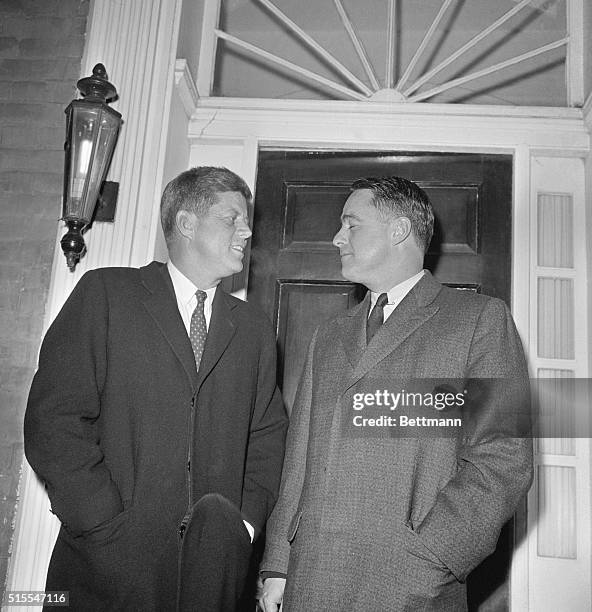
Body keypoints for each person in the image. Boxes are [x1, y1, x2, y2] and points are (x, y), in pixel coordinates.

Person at [259, 176, 532, 611]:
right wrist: (278, 565)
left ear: (399, 229)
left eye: (351, 225)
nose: (336, 238)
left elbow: (502, 458)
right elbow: (299, 460)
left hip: (410, 588)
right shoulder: (328, 336)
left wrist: (432, 557)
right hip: (309, 582)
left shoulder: (478, 321)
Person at [25, 166, 287, 611]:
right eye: (232, 219)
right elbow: (54, 420)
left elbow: (266, 440)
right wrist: (100, 520)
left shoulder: (254, 329)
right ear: (186, 223)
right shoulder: (107, 294)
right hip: (103, 570)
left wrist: (241, 527)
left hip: (212, 583)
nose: (246, 232)